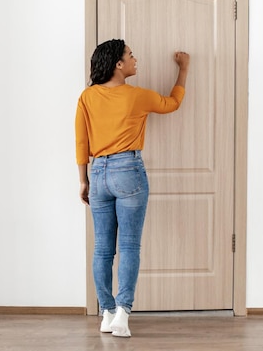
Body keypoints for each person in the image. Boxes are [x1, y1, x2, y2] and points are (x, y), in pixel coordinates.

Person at [75, 39, 190, 337]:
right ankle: (123, 314)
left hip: (97, 172)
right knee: (128, 246)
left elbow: (81, 142)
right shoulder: (136, 96)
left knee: (102, 248)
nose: (135, 59)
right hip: (128, 170)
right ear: (118, 64)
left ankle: (106, 311)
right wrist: (184, 69)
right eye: (130, 55)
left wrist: (83, 180)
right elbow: (172, 103)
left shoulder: (87, 97)